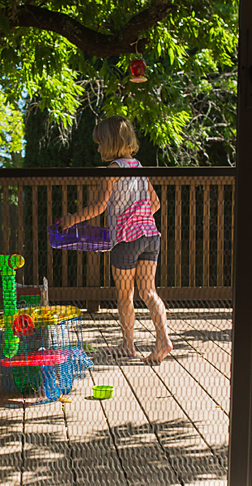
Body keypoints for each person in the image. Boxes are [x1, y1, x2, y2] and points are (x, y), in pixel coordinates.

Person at [58, 116, 173, 364]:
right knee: (149, 291)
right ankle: (163, 339)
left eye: (100, 143)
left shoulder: (113, 170)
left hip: (126, 241)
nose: (98, 148)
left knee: (125, 295)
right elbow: (155, 203)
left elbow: (99, 207)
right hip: (151, 236)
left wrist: (70, 220)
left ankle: (128, 345)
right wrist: (141, 220)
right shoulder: (138, 166)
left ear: (111, 143)